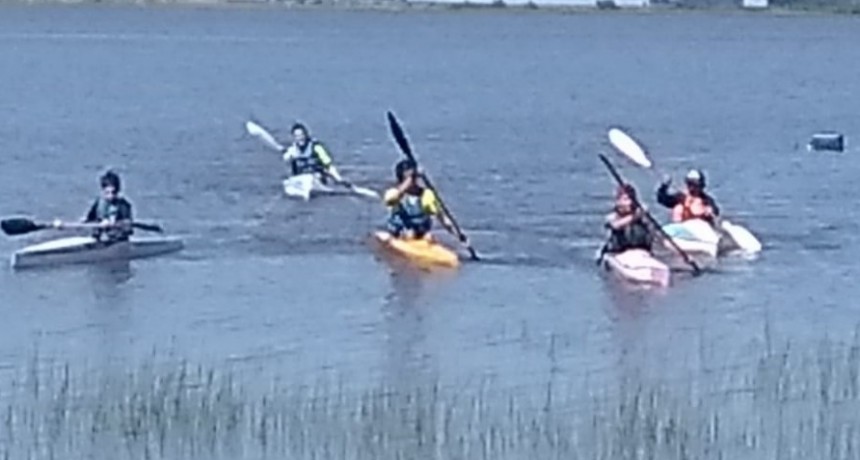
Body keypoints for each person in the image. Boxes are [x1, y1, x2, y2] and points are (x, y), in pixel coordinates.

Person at [382, 159, 459, 241]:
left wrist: (457, 234)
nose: (412, 183)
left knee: (429, 237)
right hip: (400, 231)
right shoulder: (394, 193)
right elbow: (389, 200)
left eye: (413, 179)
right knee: (409, 234)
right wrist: (407, 183)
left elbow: (441, 217)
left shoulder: (426, 195)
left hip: (421, 232)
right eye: (408, 180)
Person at [54, 170, 134, 243]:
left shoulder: (124, 206)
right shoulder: (98, 203)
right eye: (107, 193)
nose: (111, 196)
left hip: (118, 241)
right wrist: (63, 226)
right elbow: (89, 220)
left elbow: (128, 229)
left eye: (113, 192)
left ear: (118, 191)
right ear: (102, 191)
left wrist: (114, 224)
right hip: (100, 239)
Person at [656, 169, 720, 224]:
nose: (692, 188)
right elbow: (662, 199)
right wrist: (664, 187)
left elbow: (715, 211)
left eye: (695, 185)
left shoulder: (706, 200)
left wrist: (711, 211)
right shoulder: (681, 197)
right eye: (689, 184)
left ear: (701, 186)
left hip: (699, 232)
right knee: (679, 208)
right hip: (682, 231)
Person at [604, 183, 654, 254]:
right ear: (618, 201)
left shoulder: (642, 213)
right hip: (620, 253)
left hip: (642, 252)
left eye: (631, 199)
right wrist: (634, 216)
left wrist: (644, 213)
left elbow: (651, 230)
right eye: (625, 199)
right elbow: (616, 225)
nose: (629, 203)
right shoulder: (612, 216)